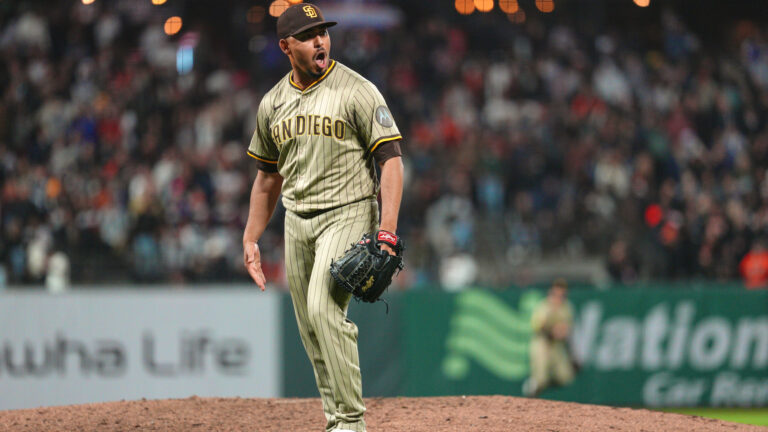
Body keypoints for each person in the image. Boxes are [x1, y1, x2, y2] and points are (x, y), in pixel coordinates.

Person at [242, 4, 404, 432]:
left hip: (348, 210)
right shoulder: (273, 103)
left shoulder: (357, 90)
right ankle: (335, 421)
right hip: (297, 221)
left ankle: (351, 422)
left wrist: (386, 229)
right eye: (309, 35)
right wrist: (251, 238)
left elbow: (391, 161)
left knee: (323, 308)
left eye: (323, 32)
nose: (321, 41)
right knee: (309, 328)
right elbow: (266, 179)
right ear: (285, 46)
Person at [523, 278, 576, 397]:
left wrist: (574, 354)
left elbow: (567, 330)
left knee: (565, 377)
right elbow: (538, 327)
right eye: (556, 294)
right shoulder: (544, 307)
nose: (559, 297)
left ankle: (538, 385)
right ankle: (531, 395)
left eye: (562, 294)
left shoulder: (567, 308)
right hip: (542, 343)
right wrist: (553, 331)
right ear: (551, 293)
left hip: (557, 345)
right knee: (541, 378)